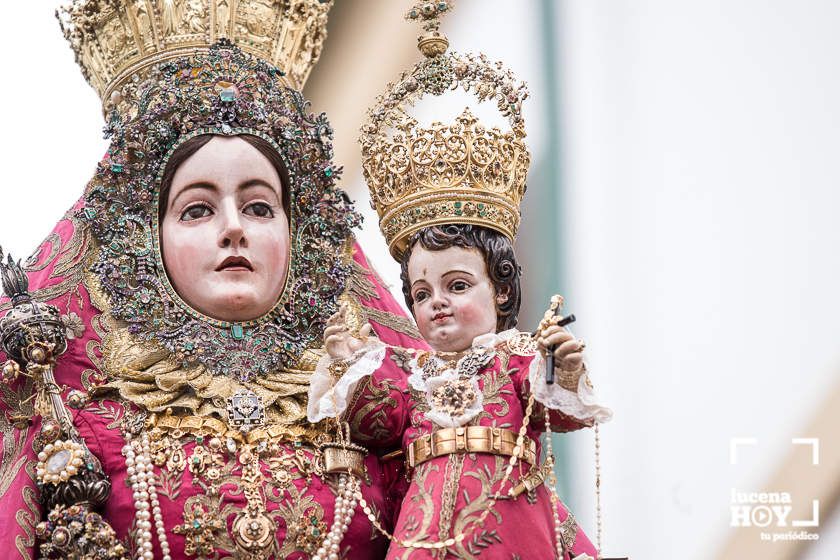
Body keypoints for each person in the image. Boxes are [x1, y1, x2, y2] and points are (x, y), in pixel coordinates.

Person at [0, 3, 427, 559]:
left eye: (258, 206)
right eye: (198, 210)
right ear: (146, 238)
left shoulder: (380, 408)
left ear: (300, 233)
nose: (232, 228)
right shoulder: (70, 414)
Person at [309, 224, 611, 559]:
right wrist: (346, 364)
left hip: (507, 516)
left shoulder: (515, 356)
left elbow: (553, 410)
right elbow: (378, 421)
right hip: (423, 524)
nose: (437, 302)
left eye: (457, 286)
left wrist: (563, 369)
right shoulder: (411, 369)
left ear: (501, 291)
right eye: (422, 294)